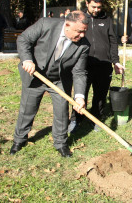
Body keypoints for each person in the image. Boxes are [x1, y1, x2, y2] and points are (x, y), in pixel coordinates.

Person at [10, 11, 90, 157]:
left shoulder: (83, 45)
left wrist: (79, 96)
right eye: (79, 31)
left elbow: (79, 72)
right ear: (67, 25)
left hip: (59, 79)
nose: (82, 35)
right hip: (35, 74)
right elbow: (23, 39)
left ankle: (61, 143)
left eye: (85, 31)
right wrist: (27, 60)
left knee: (61, 112)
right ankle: (19, 140)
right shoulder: (45, 24)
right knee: (28, 109)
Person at [68, 0, 124, 132]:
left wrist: (115, 61)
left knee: (100, 95)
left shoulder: (107, 20)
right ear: (87, 4)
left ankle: (96, 119)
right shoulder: (81, 19)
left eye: (99, 7)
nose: (96, 10)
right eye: (93, 6)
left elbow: (113, 42)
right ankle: (76, 120)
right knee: (81, 93)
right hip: (84, 64)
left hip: (103, 65)